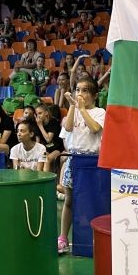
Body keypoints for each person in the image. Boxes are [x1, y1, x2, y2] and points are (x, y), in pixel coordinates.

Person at [58, 78, 105, 255]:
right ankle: (63, 238)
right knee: (69, 201)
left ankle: (96, 239)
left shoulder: (100, 112)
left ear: (94, 95)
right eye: (78, 90)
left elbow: (94, 128)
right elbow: (68, 128)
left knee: (94, 199)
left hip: (93, 162)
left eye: (85, 91)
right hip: (74, 160)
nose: (80, 94)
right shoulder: (73, 110)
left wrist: (82, 109)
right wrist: (72, 106)